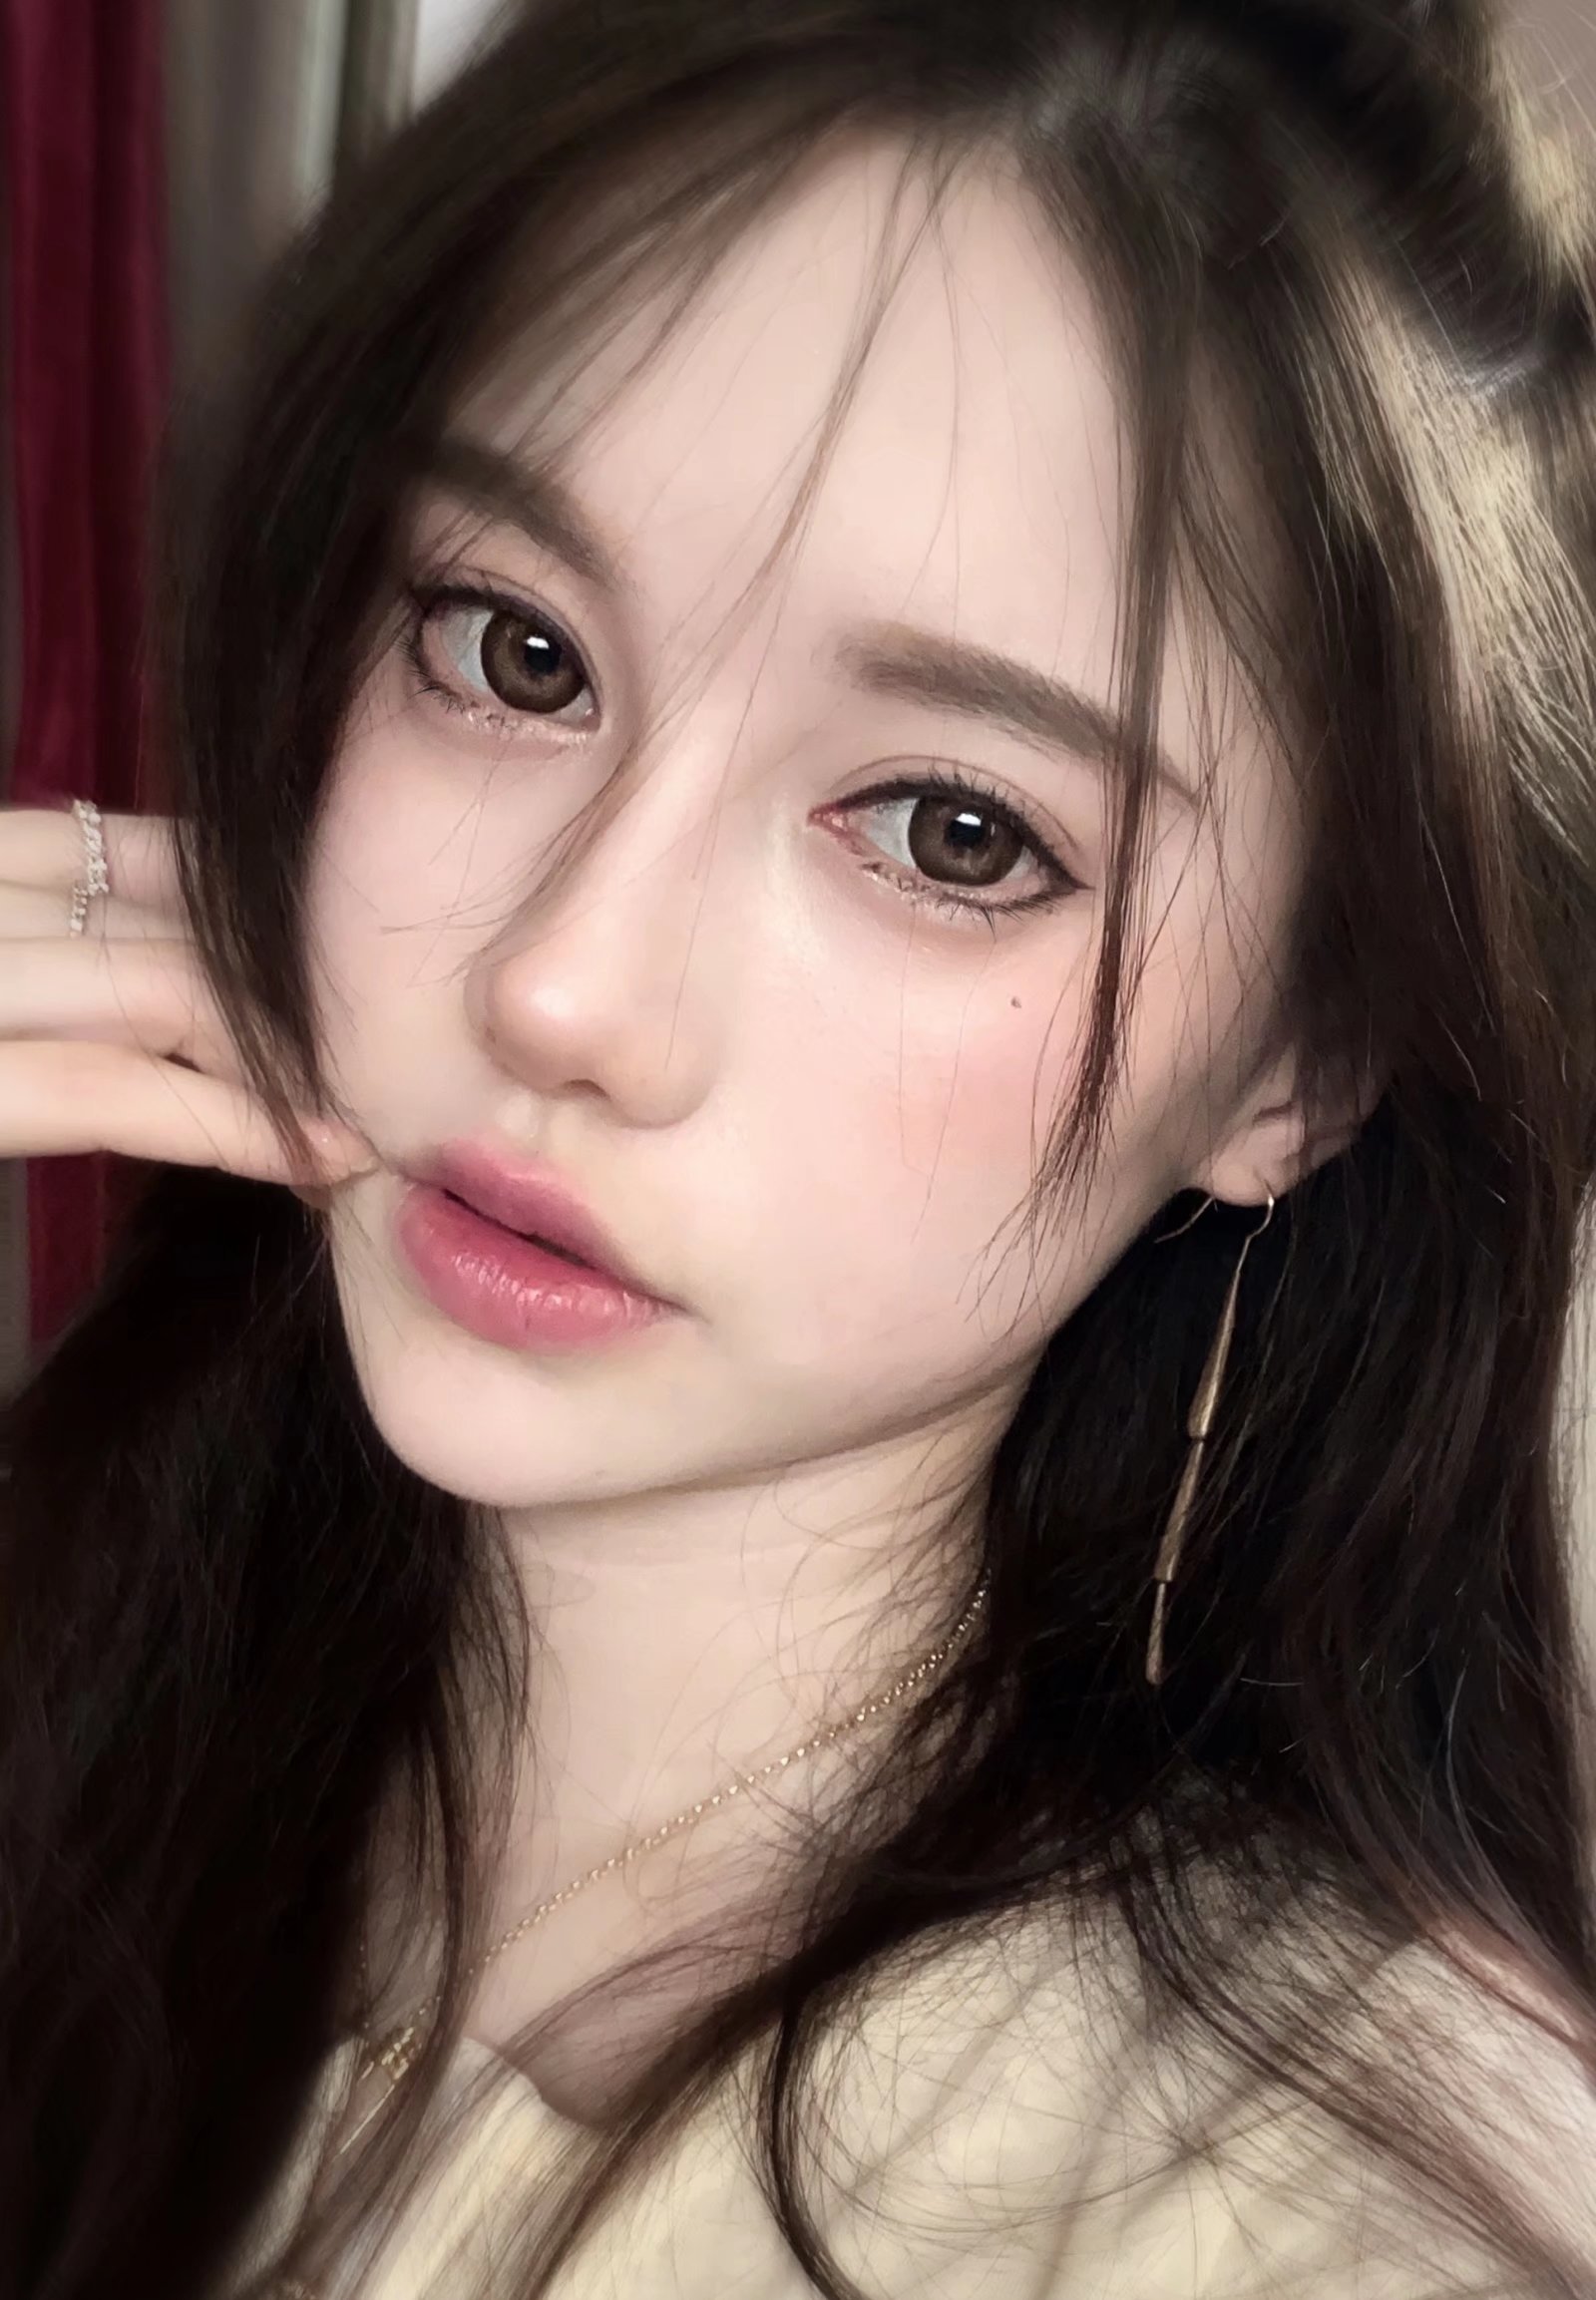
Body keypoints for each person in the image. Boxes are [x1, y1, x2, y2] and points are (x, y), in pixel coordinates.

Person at [4, 0, 1596, 2292]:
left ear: (1300, 1063)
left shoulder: (1320, 2231)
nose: (564, 988)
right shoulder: (110, 1687)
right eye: (511, 651)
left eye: (952, 831)